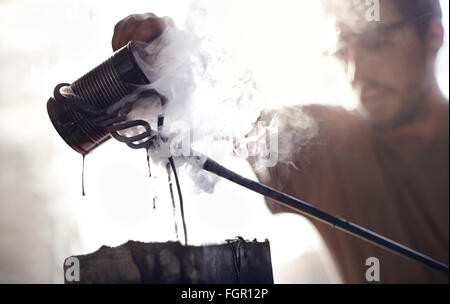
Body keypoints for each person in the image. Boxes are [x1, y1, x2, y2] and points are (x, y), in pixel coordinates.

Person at [111, 0, 448, 283]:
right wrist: (173, 59)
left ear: (433, 37)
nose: (356, 71)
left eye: (376, 41)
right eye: (344, 51)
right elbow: (231, 116)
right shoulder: (331, 143)